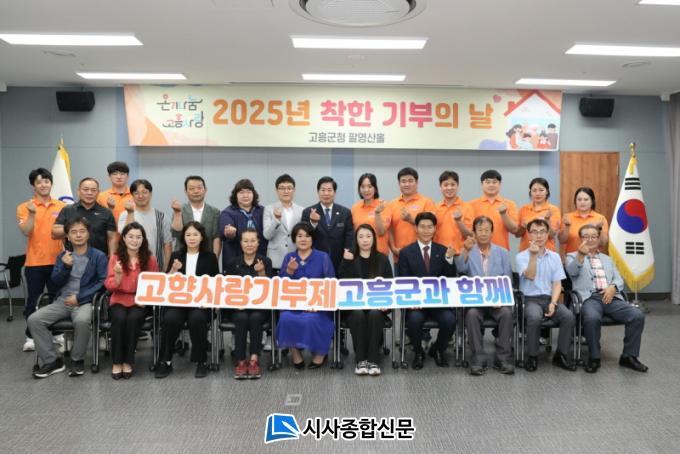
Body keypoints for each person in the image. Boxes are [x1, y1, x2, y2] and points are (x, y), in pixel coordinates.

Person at [28, 218, 107, 378]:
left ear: (88, 234)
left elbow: (102, 283)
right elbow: (55, 282)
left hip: (85, 301)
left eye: (82, 231)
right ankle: (52, 361)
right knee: (34, 320)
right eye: (73, 232)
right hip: (62, 301)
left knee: (82, 320)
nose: (78, 235)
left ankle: (77, 360)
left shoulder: (98, 256)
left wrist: (79, 297)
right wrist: (66, 266)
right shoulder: (63, 257)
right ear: (68, 237)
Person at [565, 224, 647, 373]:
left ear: (598, 239)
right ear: (580, 239)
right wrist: (580, 256)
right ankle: (594, 357)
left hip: (610, 297)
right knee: (592, 318)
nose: (590, 239)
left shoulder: (607, 259)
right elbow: (572, 272)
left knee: (637, 316)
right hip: (589, 298)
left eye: (594, 236)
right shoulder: (572, 256)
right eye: (586, 236)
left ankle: (629, 356)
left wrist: (613, 287)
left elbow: (618, 278)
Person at [155, 222, 219, 379]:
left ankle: (201, 361)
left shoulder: (210, 257)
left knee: (197, 319)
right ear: (183, 237)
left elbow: (216, 283)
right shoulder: (176, 255)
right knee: (170, 319)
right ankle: (165, 361)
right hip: (178, 302)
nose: (192, 238)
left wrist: (208, 302)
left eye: (195, 234)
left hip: (200, 303)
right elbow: (166, 282)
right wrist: (173, 269)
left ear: (202, 237)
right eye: (188, 235)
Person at [397, 212, 457, 370]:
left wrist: (449, 259)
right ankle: (418, 353)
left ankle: (437, 350)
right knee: (414, 320)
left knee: (450, 320)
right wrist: (411, 301)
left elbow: (450, 279)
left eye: (430, 227)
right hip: (417, 303)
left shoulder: (443, 251)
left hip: (438, 302)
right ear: (416, 228)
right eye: (422, 227)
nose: (426, 230)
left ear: (435, 229)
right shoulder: (406, 252)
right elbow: (403, 280)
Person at [456, 216, 514, 375]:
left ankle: (502, 358)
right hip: (476, 301)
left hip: (497, 301)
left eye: (486, 230)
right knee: (472, 315)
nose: (483, 233)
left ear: (492, 232)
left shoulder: (502, 252)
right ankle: (478, 358)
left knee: (507, 313)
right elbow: (460, 269)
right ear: (474, 233)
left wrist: (500, 299)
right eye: (480, 230)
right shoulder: (469, 250)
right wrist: (465, 251)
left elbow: (507, 279)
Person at [516, 219, 575, 372]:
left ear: (548, 234)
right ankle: (532, 356)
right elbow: (530, 275)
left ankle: (561, 355)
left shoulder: (555, 257)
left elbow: (557, 283)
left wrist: (554, 302)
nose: (539, 235)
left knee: (568, 316)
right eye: (535, 232)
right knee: (534, 317)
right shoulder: (521, 256)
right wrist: (533, 256)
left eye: (542, 232)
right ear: (529, 234)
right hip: (529, 300)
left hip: (549, 298)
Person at [16, 168, 65, 352]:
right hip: (35, 263)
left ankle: (57, 333)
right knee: (33, 301)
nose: (43, 185)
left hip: (58, 262)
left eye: (46, 181)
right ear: (33, 186)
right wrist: (32, 213)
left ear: (51, 183)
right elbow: (26, 231)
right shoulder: (24, 207)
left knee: (57, 300)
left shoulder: (62, 206)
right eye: (39, 182)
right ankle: (30, 336)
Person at [277, 222, 335, 369]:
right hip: (293, 305)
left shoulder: (323, 257)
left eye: (307, 236)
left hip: (318, 306)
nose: (303, 239)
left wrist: (318, 304)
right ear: (294, 239)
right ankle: (295, 353)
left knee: (313, 319)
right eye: (299, 236)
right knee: (285, 318)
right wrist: (289, 272)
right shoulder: (289, 257)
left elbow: (331, 284)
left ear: (312, 239)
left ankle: (320, 353)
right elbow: (281, 287)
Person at [104, 222, 159, 380]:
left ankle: (128, 361)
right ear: (124, 238)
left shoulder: (150, 259)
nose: (135, 240)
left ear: (143, 239)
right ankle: (117, 362)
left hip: (140, 300)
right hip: (119, 298)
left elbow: (155, 283)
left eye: (138, 237)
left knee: (133, 319)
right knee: (119, 318)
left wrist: (146, 300)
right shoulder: (115, 258)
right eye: (131, 237)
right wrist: (118, 276)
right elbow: (109, 285)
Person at [338, 224, 393, 376]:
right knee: (358, 314)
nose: (365, 240)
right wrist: (346, 262)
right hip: (354, 307)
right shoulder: (350, 257)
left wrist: (385, 304)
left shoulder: (382, 259)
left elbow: (390, 285)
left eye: (368, 236)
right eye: (361, 236)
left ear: (374, 239)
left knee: (374, 314)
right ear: (356, 240)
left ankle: (373, 360)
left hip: (377, 306)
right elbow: (342, 283)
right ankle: (361, 360)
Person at [224, 228, 275, 379]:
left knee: (255, 318)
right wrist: (236, 304)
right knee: (241, 318)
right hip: (238, 306)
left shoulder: (266, 261)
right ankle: (240, 361)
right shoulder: (232, 263)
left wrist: (261, 273)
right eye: (246, 241)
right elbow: (227, 289)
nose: (249, 244)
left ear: (258, 243)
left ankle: (254, 359)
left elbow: (270, 289)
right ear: (240, 243)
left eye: (253, 241)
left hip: (260, 307)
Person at [118, 179, 173, 272]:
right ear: (132, 195)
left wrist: (166, 266)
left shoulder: (161, 216)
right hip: (130, 267)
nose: (141, 196)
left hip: (155, 268)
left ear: (150, 194)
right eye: (136, 193)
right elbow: (124, 235)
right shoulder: (125, 214)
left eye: (144, 192)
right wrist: (130, 212)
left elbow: (167, 243)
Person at [52, 177, 117, 256]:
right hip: (72, 259)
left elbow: (112, 238)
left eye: (93, 190)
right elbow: (54, 234)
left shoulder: (106, 212)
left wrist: (112, 259)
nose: (89, 193)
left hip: (99, 259)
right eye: (85, 189)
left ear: (98, 192)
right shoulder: (68, 210)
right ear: (78, 191)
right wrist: (72, 226)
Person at [301, 176, 354, 270]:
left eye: (329, 190)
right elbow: (304, 236)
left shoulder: (345, 212)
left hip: (340, 261)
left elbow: (350, 237)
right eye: (323, 190)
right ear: (318, 192)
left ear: (335, 192)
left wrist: (348, 255)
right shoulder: (308, 212)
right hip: (315, 261)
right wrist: (313, 222)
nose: (326, 193)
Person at [388, 167, 435, 264]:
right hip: (399, 255)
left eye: (410, 181)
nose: (407, 184)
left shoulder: (427, 202)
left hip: (422, 256)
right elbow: (389, 230)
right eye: (403, 181)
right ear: (399, 184)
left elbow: (431, 227)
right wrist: (393, 248)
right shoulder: (391, 204)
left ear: (417, 183)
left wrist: (411, 220)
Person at [219, 179, 267, 271]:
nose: (245, 195)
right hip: (235, 262)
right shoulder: (227, 213)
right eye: (241, 192)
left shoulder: (263, 211)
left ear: (253, 194)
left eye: (248, 192)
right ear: (235, 195)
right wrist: (230, 233)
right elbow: (226, 234)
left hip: (260, 260)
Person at [170, 175, 221, 256]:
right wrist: (177, 213)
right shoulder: (179, 209)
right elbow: (176, 234)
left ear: (205, 190)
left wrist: (214, 259)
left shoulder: (214, 212)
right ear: (186, 191)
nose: (196, 191)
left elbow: (216, 237)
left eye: (199, 188)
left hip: (207, 257)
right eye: (192, 188)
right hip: (183, 257)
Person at [263, 174, 303, 274]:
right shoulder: (269, 209)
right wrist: (276, 220)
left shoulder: (301, 210)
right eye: (282, 188)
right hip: (275, 259)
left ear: (294, 190)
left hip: (296, 258)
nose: (286, 191)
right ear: (276, 190)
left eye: (289, 188)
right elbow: (267, 235)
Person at [469, 169, 519, 250]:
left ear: (500, 184)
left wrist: (504, 214)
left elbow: (514, 229)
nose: (491, 185)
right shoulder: (471, 205)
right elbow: (469, 231)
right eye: (487, 182)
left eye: (494, 182)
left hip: (501, 249)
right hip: (477, 250)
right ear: (482, 184)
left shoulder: (509, 204)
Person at [433, 170, 473, 255]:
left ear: (457, 186)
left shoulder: (467, 207)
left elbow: (470, 235)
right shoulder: (434, 208)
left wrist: (459, 221)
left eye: (453, 184)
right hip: (439, 254)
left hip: (460, 255)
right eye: (446, 185)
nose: (449, 188)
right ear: (440, 187)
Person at [350, 173, 391, 256]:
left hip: (380, 255)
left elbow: (381, 232)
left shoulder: (384, 206)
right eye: (363, 187)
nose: (366, 190)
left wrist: (377, 213)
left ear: (375, 188)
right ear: (359, 189)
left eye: (369, 186)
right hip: (360, 255)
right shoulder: (355, 208)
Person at [559, 187, 609, 254]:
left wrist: (599, 228)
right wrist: (567, 227)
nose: (582, 202)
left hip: (593, 257)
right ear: (575, 201)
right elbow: (561, 241)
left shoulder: (600, 218)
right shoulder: (567, 217)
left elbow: (603, 243)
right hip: (573, 257)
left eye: (586, 199)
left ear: (592, 201)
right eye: (579, 199)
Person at [516, 177, 561, 252]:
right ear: (530, 192)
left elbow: (552, 235)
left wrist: (547, 220)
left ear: (547, 191)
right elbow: (517, 234)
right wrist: (523, 227)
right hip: (527, 251)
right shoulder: (523, 209)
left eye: (541, 190)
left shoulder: (553, 209)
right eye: (534, 190)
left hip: (547, 252)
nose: (537, 194)